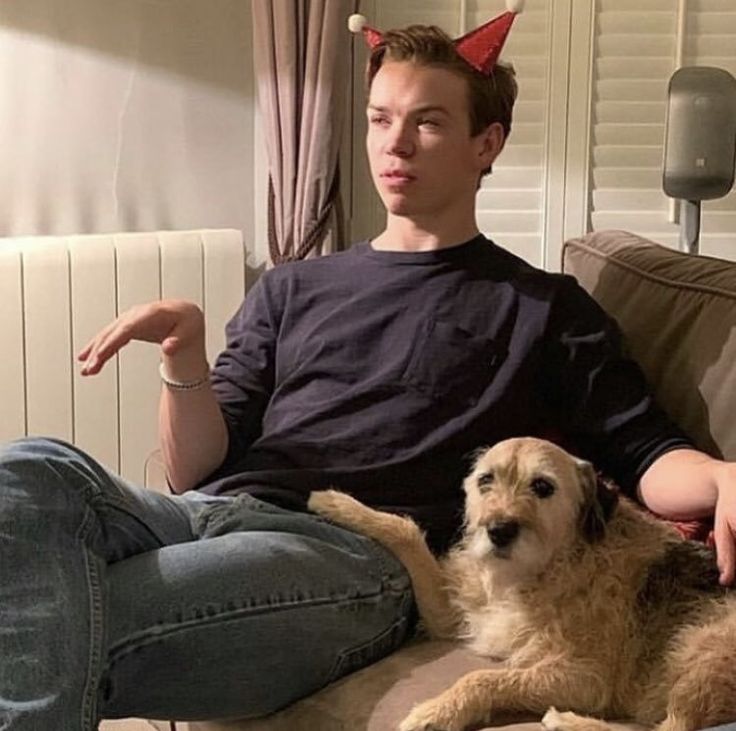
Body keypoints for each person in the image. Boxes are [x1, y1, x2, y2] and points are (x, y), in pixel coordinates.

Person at [2, 7, 735, 731]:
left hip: (350, 557)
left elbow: (642, 449)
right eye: (381, 118)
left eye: (428, 122)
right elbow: (192, 467)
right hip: (211, 516)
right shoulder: (293, 285)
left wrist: (724, 476)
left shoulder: (542, 307)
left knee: (43, 619)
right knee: (29, 470)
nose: (396, 144)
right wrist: (184, 356)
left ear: (487, 143)